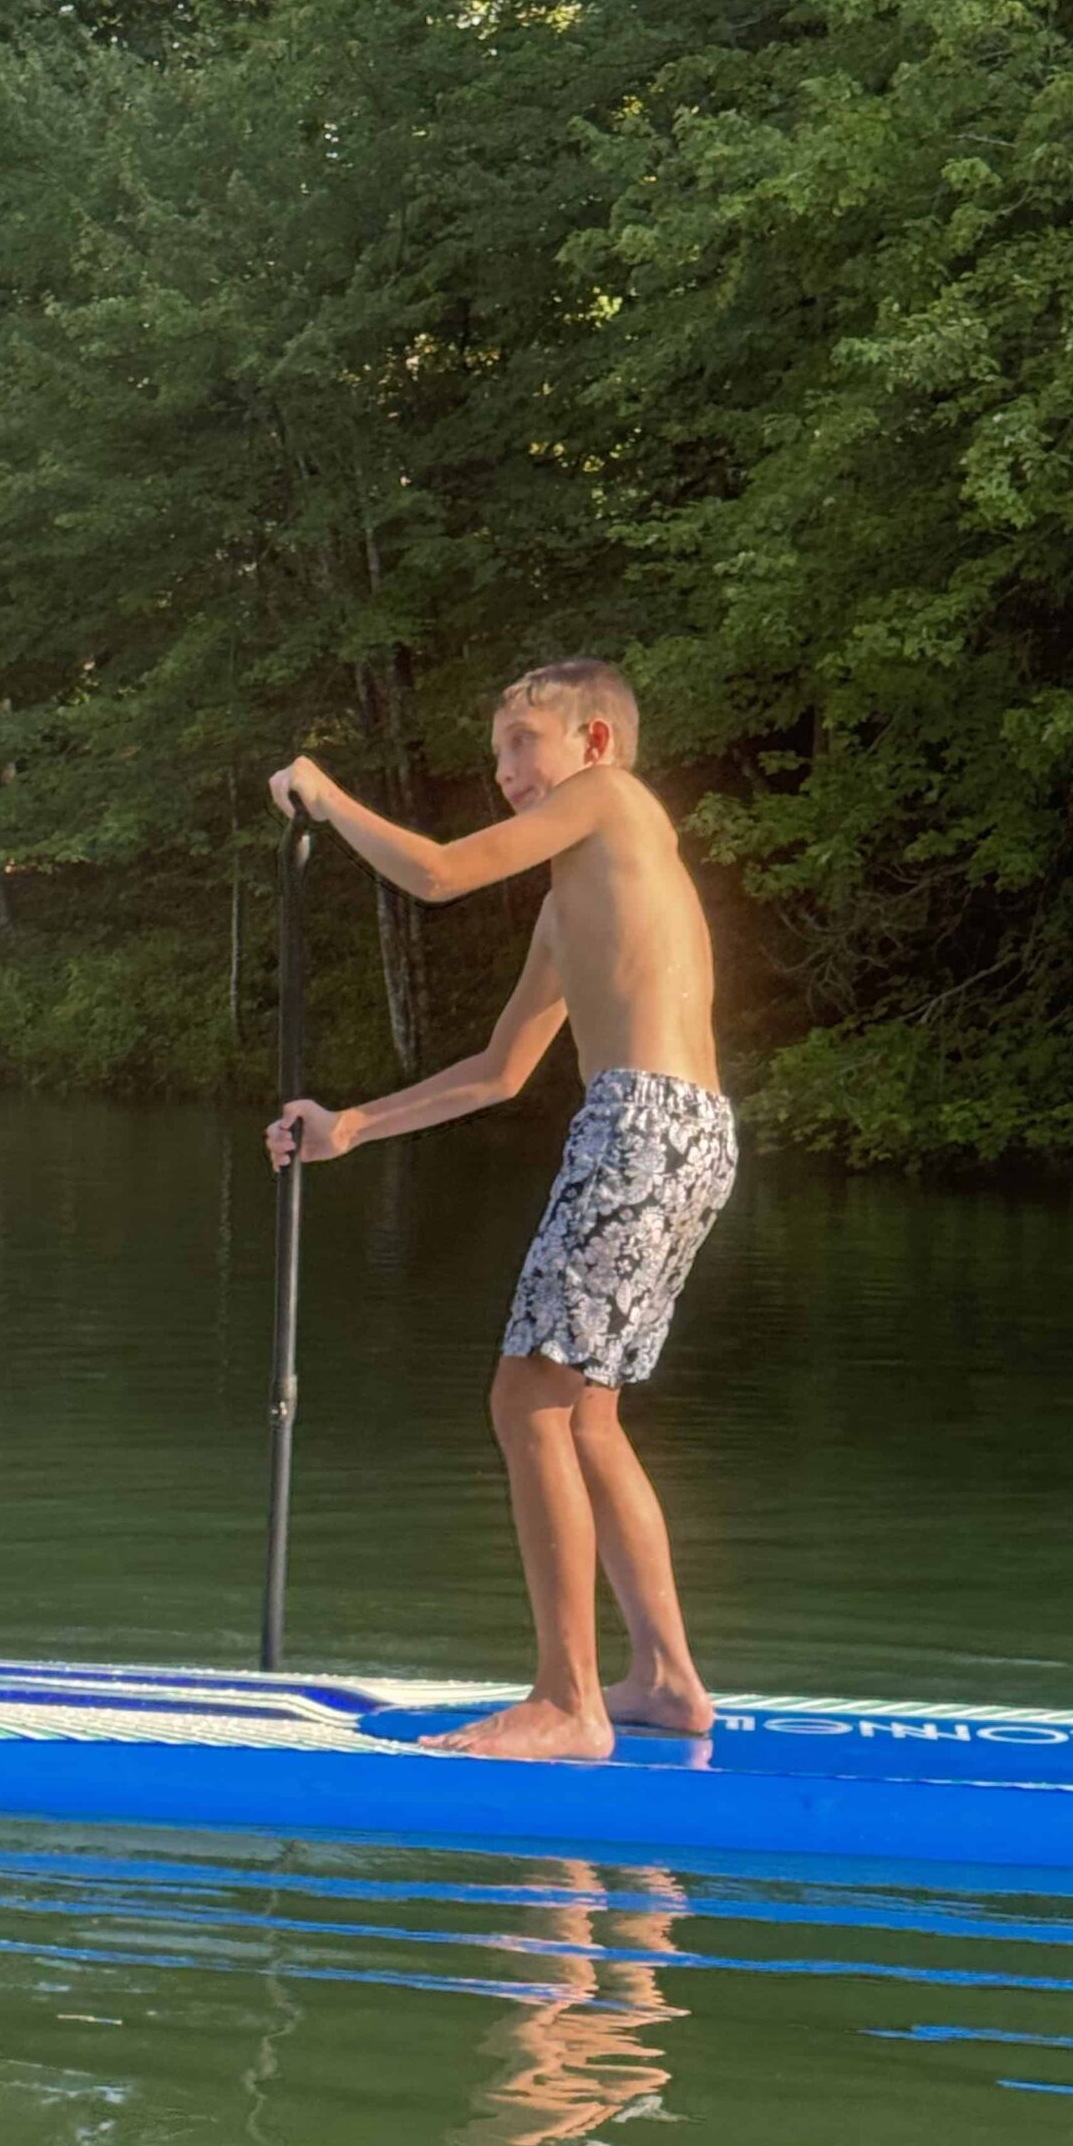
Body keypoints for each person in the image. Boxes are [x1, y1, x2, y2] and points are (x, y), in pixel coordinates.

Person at [265, 659, 734, 1762]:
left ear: (595, 745)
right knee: (584, 1411)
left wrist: (328, 801)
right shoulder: (578, 901)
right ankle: (666, 1681)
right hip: (687, 1135)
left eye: (525, 743)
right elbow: (499, 1070)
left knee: (526, 1398)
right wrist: (350, 1127)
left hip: (642, 1128)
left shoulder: (615, 806)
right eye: (498, 754)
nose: (507, 770)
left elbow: (431, 876)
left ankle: (568, 1704)